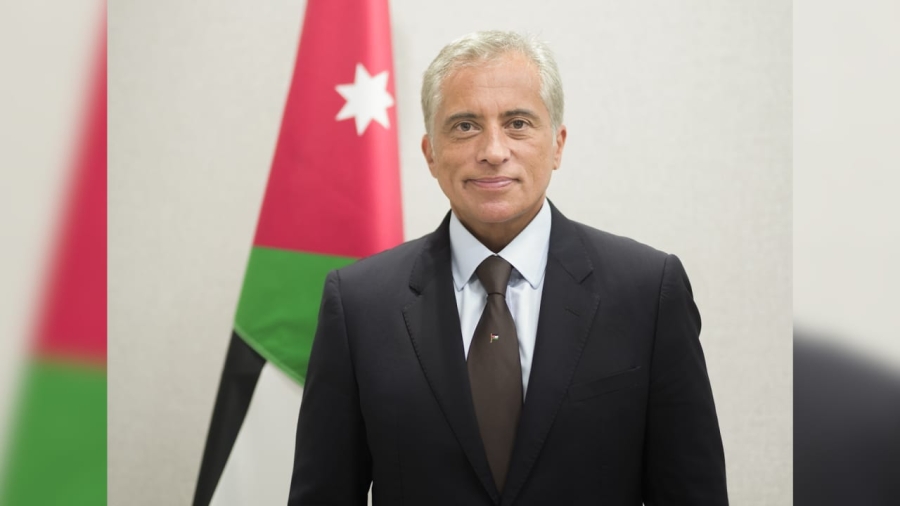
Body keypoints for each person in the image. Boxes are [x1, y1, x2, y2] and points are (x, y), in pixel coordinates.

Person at [288, 30, 728, 505]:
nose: (494, 151)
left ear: (557, 145)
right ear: (430, 153)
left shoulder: (647, 291)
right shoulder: (358, 303)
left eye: (518, 123)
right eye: (465, 126)